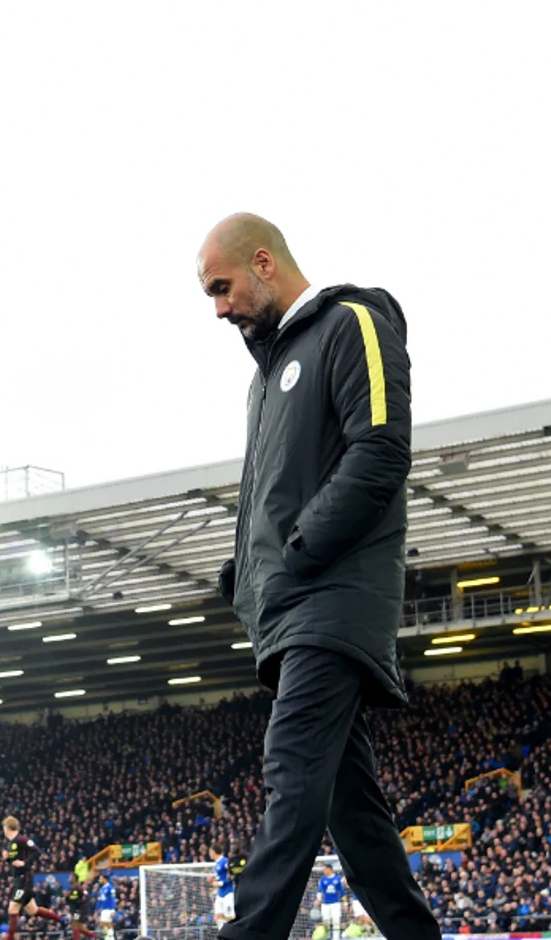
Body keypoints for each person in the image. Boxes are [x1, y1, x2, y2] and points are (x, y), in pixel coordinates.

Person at [195, 213, 439, 940]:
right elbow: (279, 489)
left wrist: (298, 551)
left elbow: (381, 451)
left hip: (331, 601)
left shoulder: (353, 322)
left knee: (292, 763)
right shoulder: (264, 380)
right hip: (289, 606)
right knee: (350, 811)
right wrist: (247, 571)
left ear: (263, 263)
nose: (218, 307)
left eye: (222, 286)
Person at [2, 816, 64, 937]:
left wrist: (25, 863)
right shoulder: (11, 844)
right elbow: (16, 862)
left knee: (13, 908)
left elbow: (36, 851)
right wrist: (8, 859)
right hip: (18, 879)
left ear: (7, 827)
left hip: (24, 878)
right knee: (33, 910)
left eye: (4, 827)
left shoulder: (22, 839)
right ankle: (61, 920)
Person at [317, 864, 346, 937]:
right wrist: (319, 898)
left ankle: (336, 938)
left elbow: (342, 892)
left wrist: (345, 904)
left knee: (336, 921)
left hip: (335, 904)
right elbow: (320, 890)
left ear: (330, 869)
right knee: (326, 922)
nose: (324, 871)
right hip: (325, 904)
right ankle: (327, 937)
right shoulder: (322, 879)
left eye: (325, 869)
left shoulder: (337, 878)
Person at [211, 843, 236, 927]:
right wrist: (213, 881)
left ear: (214, 852)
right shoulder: (216, 863)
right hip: (220, 894)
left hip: (228, 893)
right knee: (218, 916)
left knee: (230, 918)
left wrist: (220, 883)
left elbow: (232, 875)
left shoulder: (225, 861)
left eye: (210, 852)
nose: (210, 854)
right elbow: (220, 878)